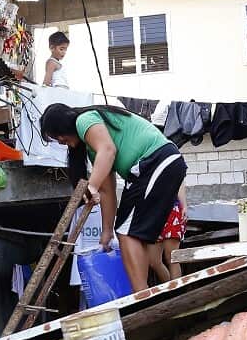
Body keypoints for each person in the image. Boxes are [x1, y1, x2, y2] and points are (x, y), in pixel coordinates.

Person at [40, 102, 188, 293]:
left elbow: (108, 150)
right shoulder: (95, 151)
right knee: (127, 229)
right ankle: (142, 291)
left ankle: (141, 294)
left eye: (57, 135)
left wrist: (91, 185)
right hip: (151, 167)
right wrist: (107, 231)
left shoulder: (84, 120)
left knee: (127, 232)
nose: (60, 141)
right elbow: (107, 191)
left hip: (155, 161)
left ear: (63, 124)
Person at [158, 186, 188, 279]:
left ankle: (176, 291)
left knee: (171, 257)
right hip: (151, 212)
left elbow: (180, 180)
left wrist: (184, 205)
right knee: (153, 260)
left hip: (171, 209)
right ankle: (169, 288)